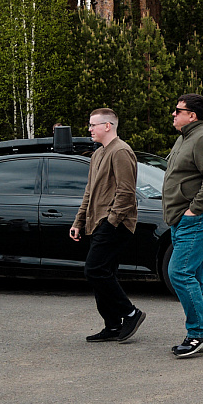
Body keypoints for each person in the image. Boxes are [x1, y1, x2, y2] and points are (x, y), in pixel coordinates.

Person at [71, 108, 147, 343]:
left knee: (94, 270)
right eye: (89, 125)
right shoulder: (97, 155)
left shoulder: (121, 151)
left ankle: (131, 313)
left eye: (93, 125)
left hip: (115, 223)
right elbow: (89, 192)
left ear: (108, 126)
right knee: (103, 273)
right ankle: (112, 326)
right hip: (95, 222)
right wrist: (79, 221)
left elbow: (126, 192)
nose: (90, 129)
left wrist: (112, 221)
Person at [163, 93, 203, 359]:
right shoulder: (185, 138)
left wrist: (195, 209)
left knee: (179, 273)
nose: (174, 114)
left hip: (199, 217)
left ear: (193, 115)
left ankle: (199, 333)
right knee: (193, 276)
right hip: (183, 218)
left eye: (178, 111)